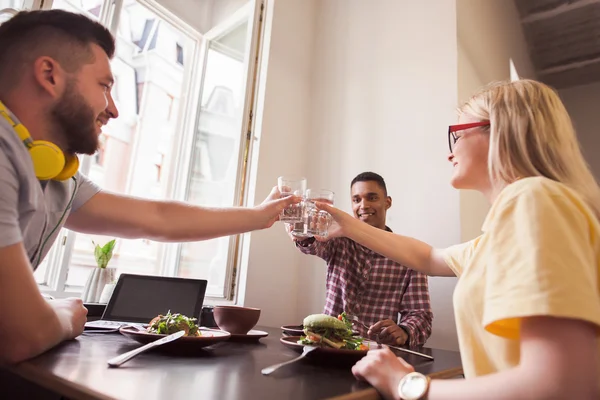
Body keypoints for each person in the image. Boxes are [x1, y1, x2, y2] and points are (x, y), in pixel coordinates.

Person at [0, 10, 298, 364]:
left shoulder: (59, 179)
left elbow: (157, 217)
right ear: (49, 75)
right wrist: (65, 316)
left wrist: (260, 216)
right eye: (104, 86)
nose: (113, 110)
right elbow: (21, 335)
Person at [316, 80, 600, 399]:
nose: (450, 152)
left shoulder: (532, 199)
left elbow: (562, 384)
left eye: (457, 133)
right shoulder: (508, 227)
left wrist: (404, 385)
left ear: (499, 131)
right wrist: (345, 224)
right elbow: (428, 257)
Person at [289, 172, 432, 347]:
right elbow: (314, 244)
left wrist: (404, 331)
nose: (364, 205)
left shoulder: (408, 255)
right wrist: (303, 236)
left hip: (375, 355)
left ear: (387, 202)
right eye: (357, 200)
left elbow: (421, 316)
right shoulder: (339, 240)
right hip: (327, 347)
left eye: (372, 198)